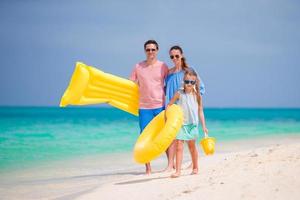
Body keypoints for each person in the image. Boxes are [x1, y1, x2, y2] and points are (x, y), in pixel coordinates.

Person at [130, 39, 168, 175]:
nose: (150, 52)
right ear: (145, 51)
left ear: (157, 50)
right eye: (148, 49)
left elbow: (168, 84)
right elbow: (131, 85)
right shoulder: (138, 67)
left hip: (160, 105)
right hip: (144, 107)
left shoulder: (163, 66)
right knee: (144, 137)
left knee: (165, 136)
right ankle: (148, 168)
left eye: (153, 49)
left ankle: (170, 164)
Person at [164, 45, 205, 171]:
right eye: (172, 56)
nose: (174, 58)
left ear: (181, 55)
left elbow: (200, 87)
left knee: (189, 141)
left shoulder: (188, 71)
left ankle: (194, 164)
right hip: (174, 109)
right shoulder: (169, 73)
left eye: (177, 55)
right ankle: (171, 165)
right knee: (173, 138)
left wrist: (193, 99)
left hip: (186, 109)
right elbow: (166, 90)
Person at [166, 68, 208, 178]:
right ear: (183, 81)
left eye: (192, 82)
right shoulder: (179, 93)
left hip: (192, 124)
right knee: (179, 146)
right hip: (181, 124)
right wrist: (169, 118)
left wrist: (204, 126)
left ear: (195, 83)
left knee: (192, 147)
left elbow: (200, 111)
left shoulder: (197, 95)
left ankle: (195, 166)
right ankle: (178, 171)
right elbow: (170, 105)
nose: (189, 84)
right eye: (187, 81)